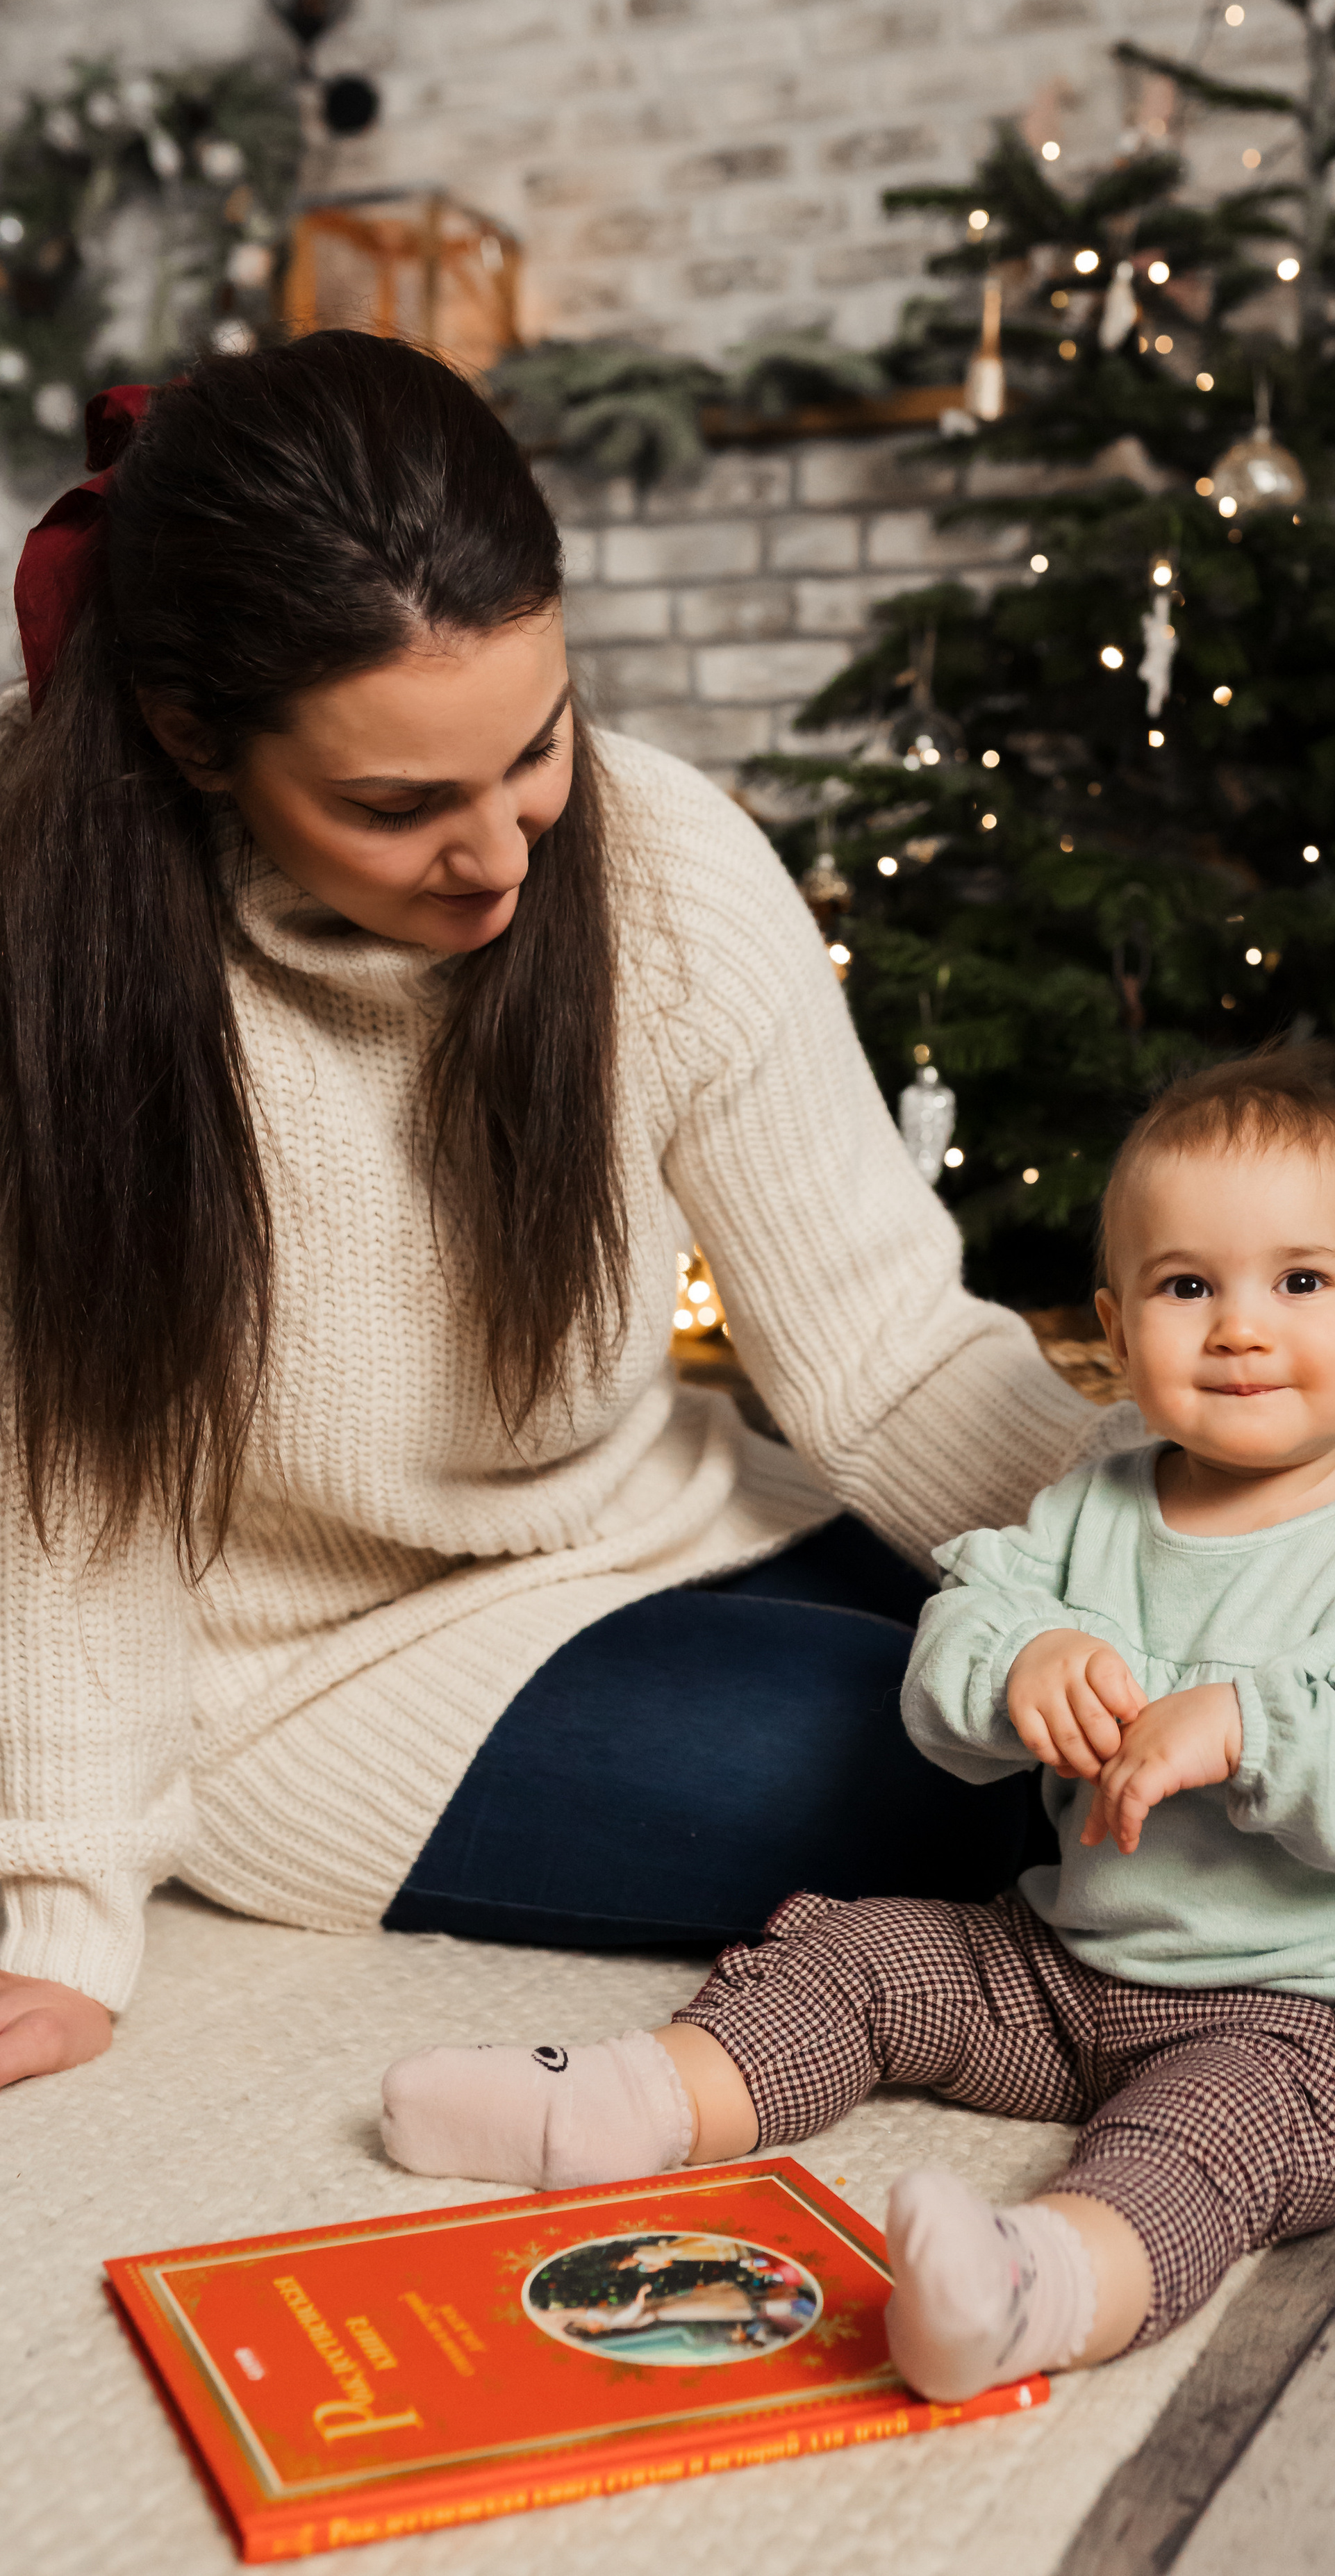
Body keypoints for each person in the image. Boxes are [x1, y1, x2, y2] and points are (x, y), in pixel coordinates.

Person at [0, 335, 1130, 2092]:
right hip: (318, 1675)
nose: (502, 852)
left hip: (654, 1522)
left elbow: (893, 1356)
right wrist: (58, 1907)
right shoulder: (60, 978)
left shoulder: (667, 861)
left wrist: (1213, 1565)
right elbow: (70, 1501)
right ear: (190, 738)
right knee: (1026, 1775)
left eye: (532, 749)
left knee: (1139, 1688)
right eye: (398, 805)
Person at [381, 1046, 1335, 2400]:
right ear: (1119, 1333)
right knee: (859, 1952)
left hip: (1307, 2020)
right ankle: (621, 2102)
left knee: (1198, 2140)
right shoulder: (1088, 1510)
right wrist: (1023, 1660)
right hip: (1062, 1968)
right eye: (1187, 1287)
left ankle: (1032, 2286)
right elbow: (949, 1671)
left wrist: (1251, 1727)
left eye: (1299, 1283)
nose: (1240, 1328)